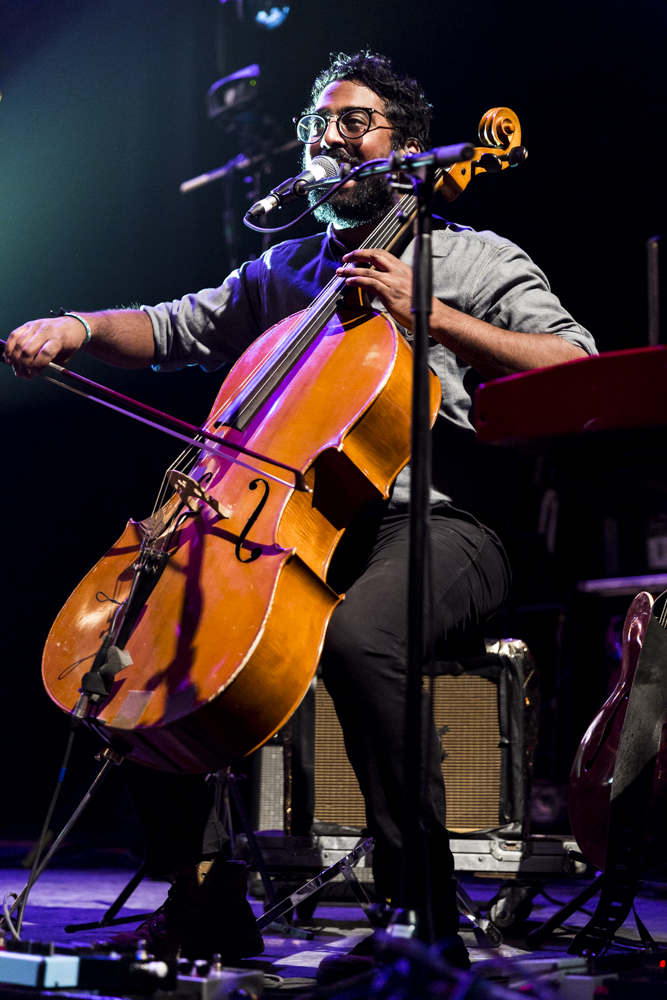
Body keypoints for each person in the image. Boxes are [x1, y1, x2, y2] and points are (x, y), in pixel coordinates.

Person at [4, 51, 596, 966]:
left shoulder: (473, 256)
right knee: (152, 647)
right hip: (292, 525)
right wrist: (77, 327)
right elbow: (173, 327)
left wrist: (430, 313)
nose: (326, 138)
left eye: (352, 123)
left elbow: (571, 366)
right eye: (318, 124)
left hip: (441, 525)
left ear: (406, 148)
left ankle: (420, 909)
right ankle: (201, 892)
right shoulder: (287, 271)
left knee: (363, 641)